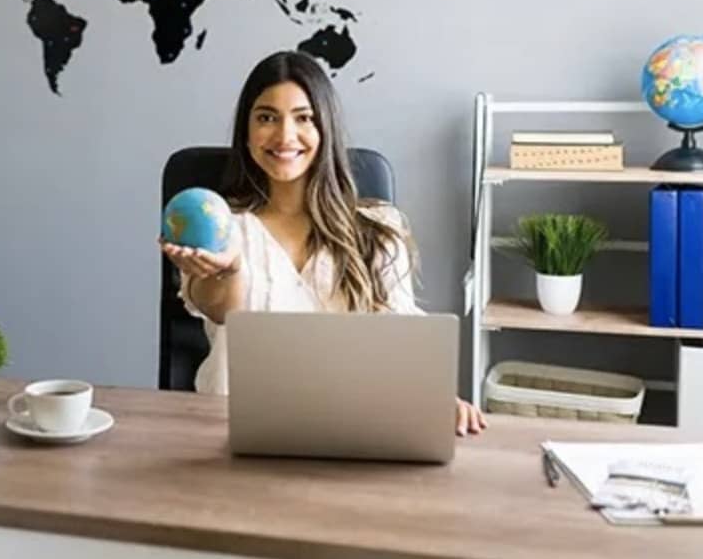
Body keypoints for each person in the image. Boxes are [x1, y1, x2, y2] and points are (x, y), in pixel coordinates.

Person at [160, 50, 486, 436]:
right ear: (246, 134)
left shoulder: (378, 227)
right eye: (266, 117)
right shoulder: (224, 230)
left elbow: (399, 336)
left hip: (354, 430)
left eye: (304, 118)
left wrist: (433, 397)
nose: (284, 135)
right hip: (234, 433)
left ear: (325, 129)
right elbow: (217, 309)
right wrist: (229, 269)